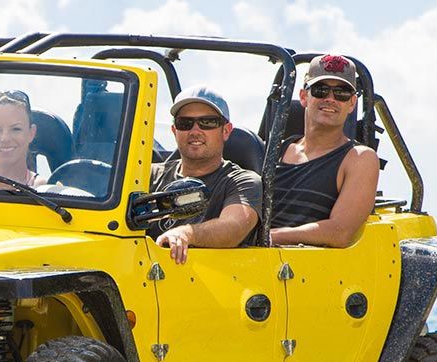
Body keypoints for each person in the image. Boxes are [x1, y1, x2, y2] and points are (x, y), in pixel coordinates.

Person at [269, 55, 380, 248]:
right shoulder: (276, 151)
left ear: (352, 103)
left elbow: (339, 232)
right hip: (249, 260)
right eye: (321, 90)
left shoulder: (360, 159)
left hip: (310, 270)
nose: (330, 99)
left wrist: (268, 237)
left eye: (341, 93)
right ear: (304, 97)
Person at [151, 88, 262, 264]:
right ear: (174, 131)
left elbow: (234, 228)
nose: (195, 131)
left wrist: (186, 233)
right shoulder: (148, 175)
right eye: (185, 123)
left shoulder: (243, 182)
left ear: (226, 131)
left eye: (207, 122)